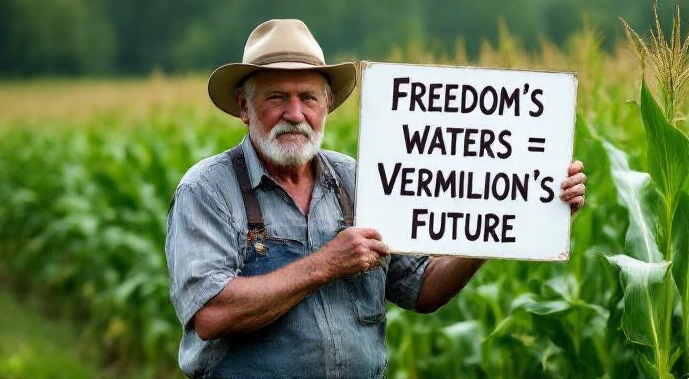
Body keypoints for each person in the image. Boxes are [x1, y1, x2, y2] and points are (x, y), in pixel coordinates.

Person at [165, 19, 587, 379]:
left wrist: (504, 220)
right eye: (277, 97)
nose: (295, 113)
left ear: (327, 104)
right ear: (244, 106)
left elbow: (421, 290)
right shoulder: (208, 190)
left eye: (308, 97)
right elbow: (212, 314)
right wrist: (327, 264)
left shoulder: (355, 179)